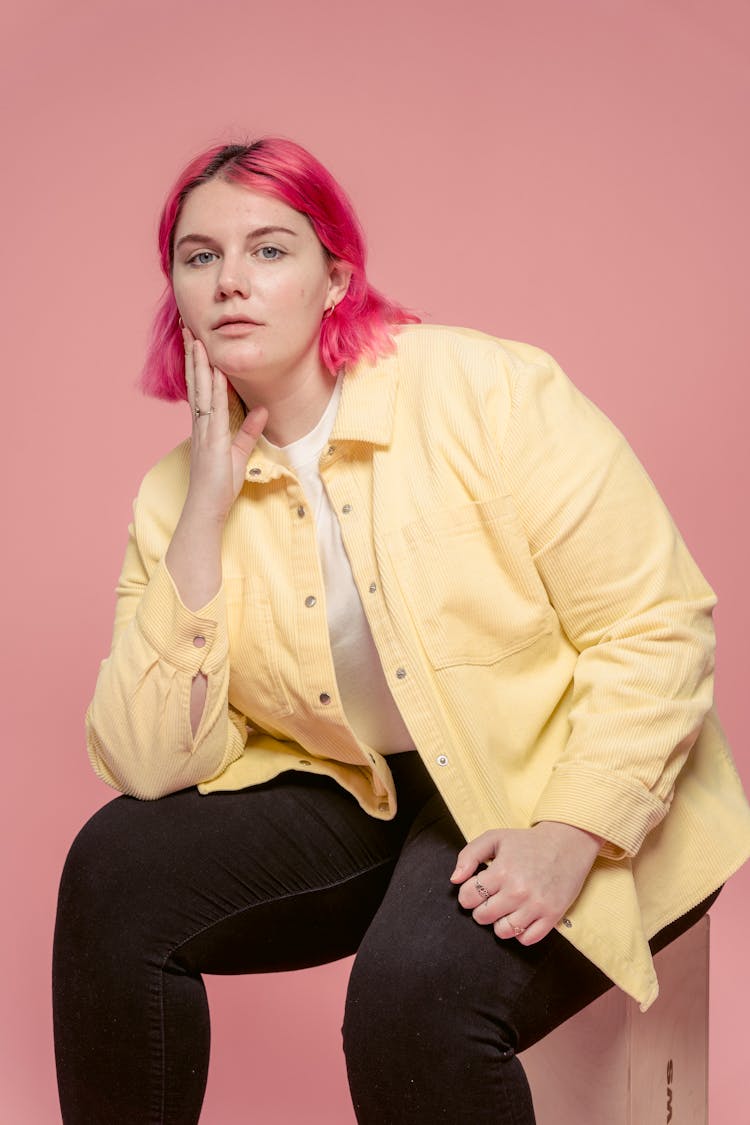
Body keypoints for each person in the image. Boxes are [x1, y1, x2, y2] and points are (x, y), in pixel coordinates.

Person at [53, 137, 750, 1125]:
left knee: (412, 1005)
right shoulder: (175, 495)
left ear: (336, 277)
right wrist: (206, 515)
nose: (231, 282)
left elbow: (658, 623)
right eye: (199, 257)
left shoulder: (487, 392)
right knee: (113, 872)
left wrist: (572, 834)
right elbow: (147, 763)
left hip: (551, 776)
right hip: (371, 785)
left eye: (270, 250)